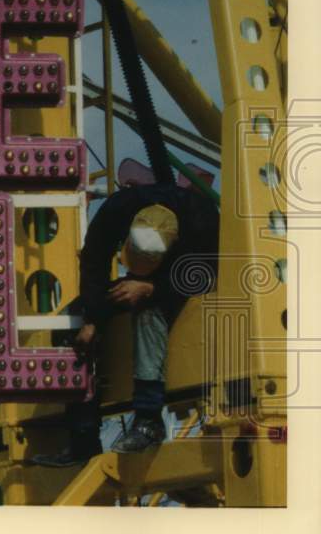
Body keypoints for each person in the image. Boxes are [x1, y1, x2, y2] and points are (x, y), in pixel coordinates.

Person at [33, 182, 219, 465]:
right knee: (72, 319)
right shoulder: (119, 208)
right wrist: (91, 320)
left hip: (177, 282)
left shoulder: (201, 219)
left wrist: (152, 289)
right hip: (152, 277)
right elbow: (94, 261)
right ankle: (83, 439)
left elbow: (205, 273)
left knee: (149, 313)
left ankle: (148, 421)